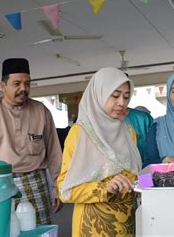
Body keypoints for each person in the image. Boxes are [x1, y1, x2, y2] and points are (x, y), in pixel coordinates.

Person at [0, 58, 63, 225]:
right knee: (5, 230)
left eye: (27, 84)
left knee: (38, 231)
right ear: (3, 86)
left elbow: (54, 153)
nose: (23, 89)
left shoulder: (41, 111)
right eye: (17, 83)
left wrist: (58, 187)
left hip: (35, 181)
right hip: (0, 184)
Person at [57, 67, 142, 236]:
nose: (122, 102)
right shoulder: (80, 133)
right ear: (99, 94)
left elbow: (134, 176)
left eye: (126, 96)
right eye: (115, 95)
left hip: (126, 223)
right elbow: (65, 190)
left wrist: (161, 176)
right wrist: (105, 188)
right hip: (93, 227)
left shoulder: (128, 131)